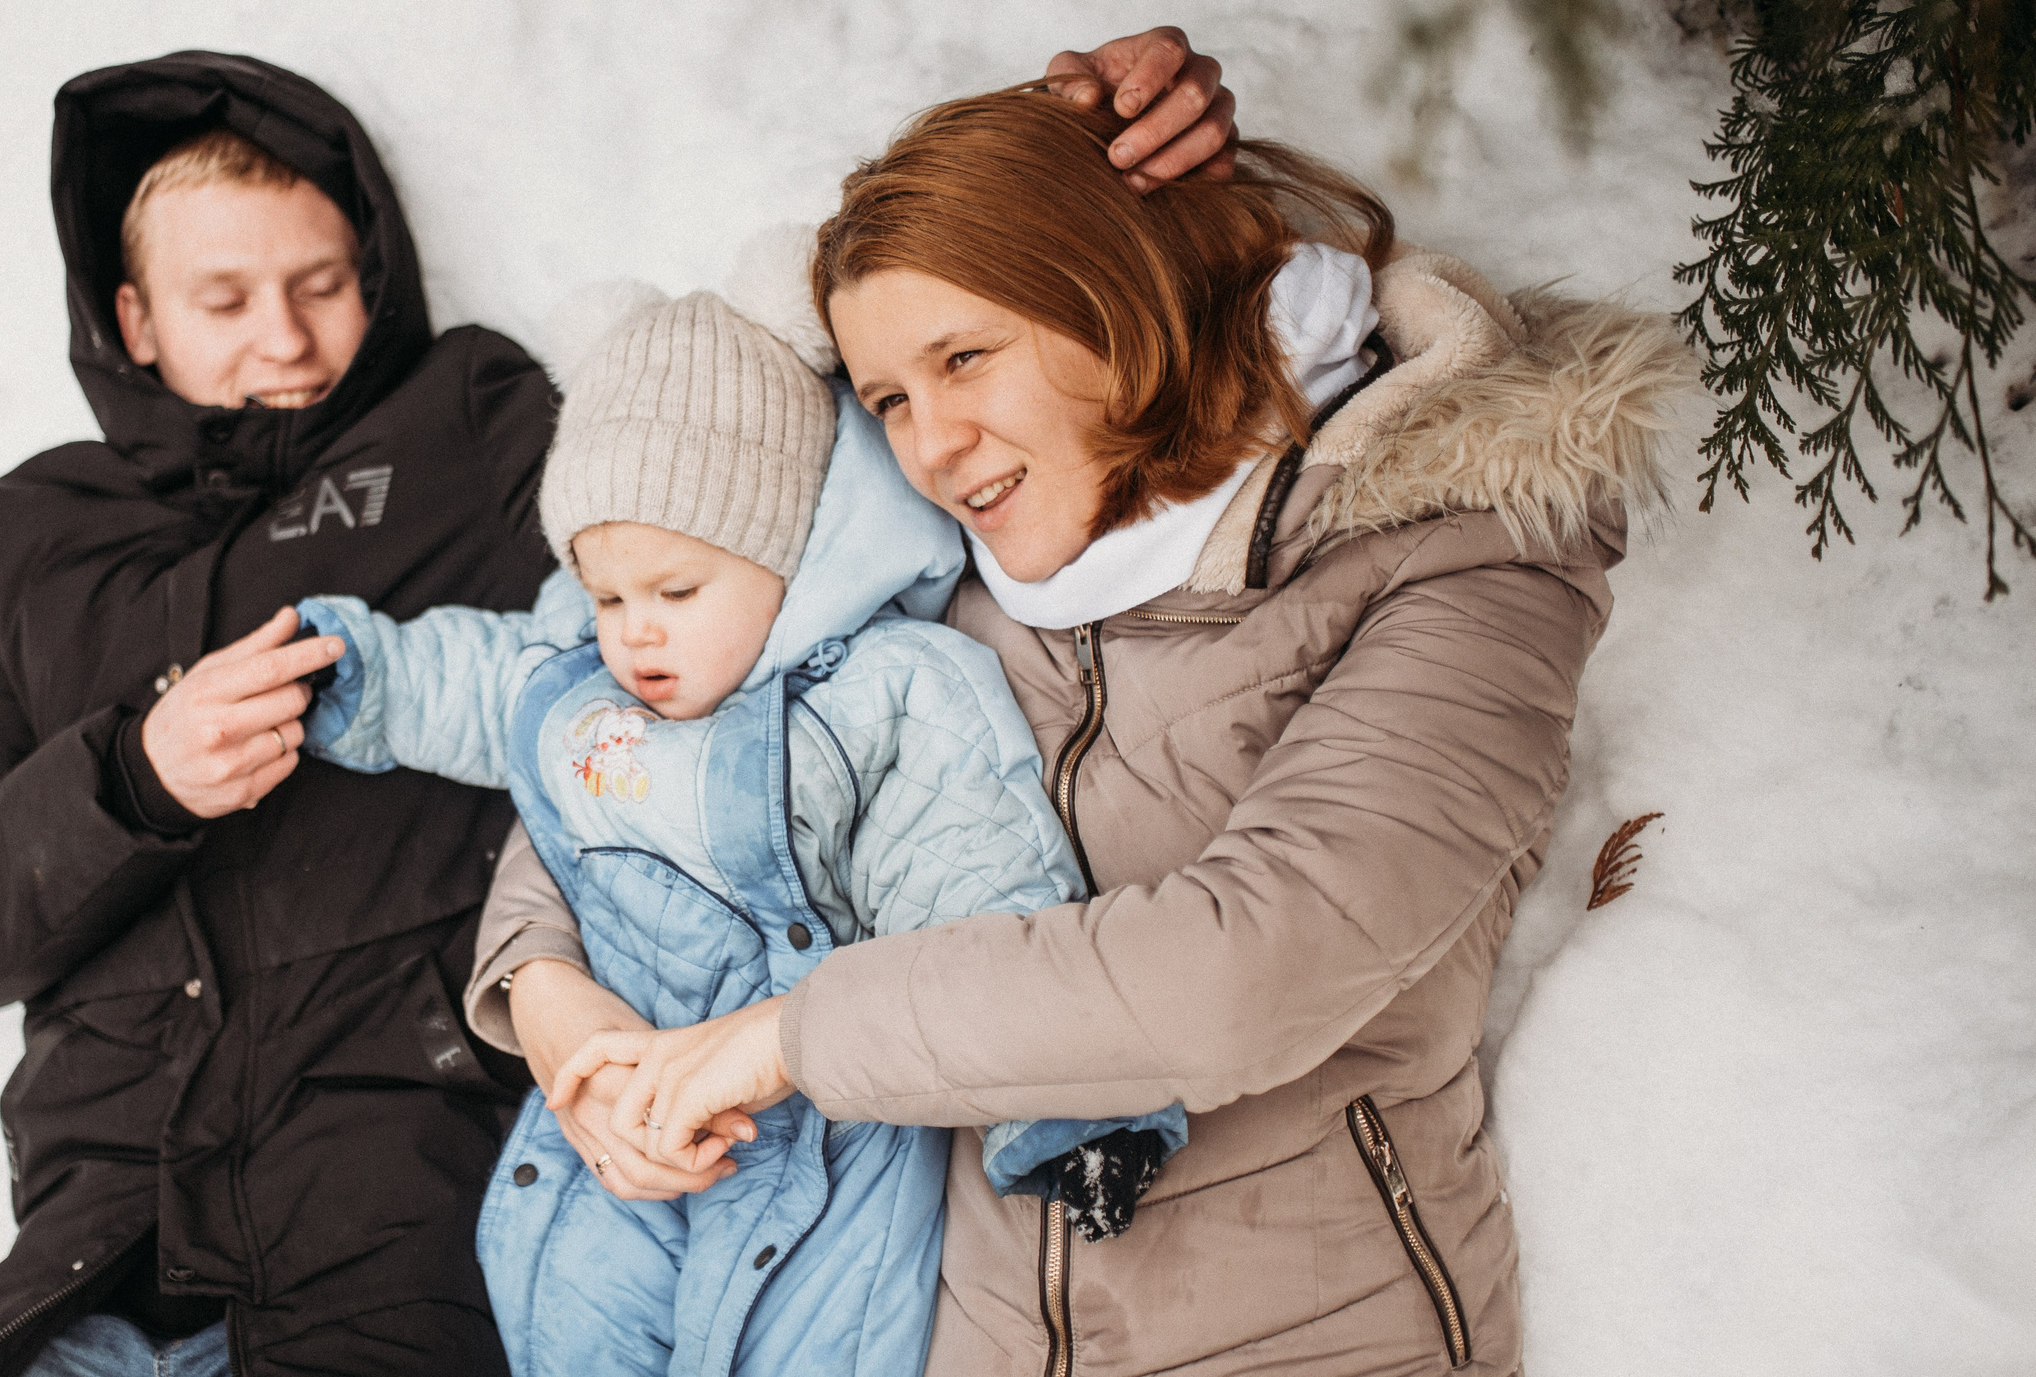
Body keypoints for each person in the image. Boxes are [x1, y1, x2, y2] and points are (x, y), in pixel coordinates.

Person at [0, 38, 1239, 1377]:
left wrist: (1078, 154)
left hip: (391, 1204)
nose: (286, 339)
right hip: (100, 1239)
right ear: (133, 315)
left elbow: (744, 435)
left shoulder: (472, 427)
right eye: (224, 303)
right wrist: (132, 778)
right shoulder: (36, 535)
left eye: (324, 284)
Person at [494, 92, 1696, 1376]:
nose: (934, 446)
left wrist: (790, 1037)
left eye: (965, 358)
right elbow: (669, 742)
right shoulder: (928, 564)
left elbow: (1251, 968)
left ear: (1113, 294)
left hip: (1303, 1334)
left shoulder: (1461, 551)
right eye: (890, 397)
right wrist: (540, 981)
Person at [291, 290, 1189, 1377]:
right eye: (608, 593)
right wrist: (364, 675)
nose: (638, 630)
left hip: (821, 1134)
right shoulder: (585, 685)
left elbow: (978, 878)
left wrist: (1067, 1112)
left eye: (677, 587)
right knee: (575, 1316)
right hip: (618, 1115)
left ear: (790, 560)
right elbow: (482, 680)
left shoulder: (883, 693)